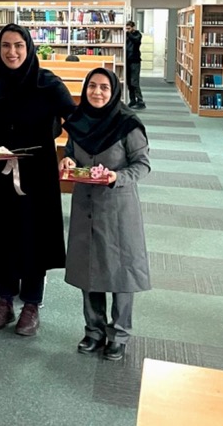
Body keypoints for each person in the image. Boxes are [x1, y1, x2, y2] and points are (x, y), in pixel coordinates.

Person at [0, 24, 76, 337]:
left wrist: (72, 153)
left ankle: (31, 303)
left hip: (36, 173)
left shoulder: (47, 83)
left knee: (33, 236)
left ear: (28, 48)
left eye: (18, 45)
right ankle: (4, 299)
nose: (12, 52)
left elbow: (76, 120)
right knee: (1, 235)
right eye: (5, 45)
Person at [61, 67, 150, 362]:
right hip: (85, 204)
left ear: (114, 92)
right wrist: (68, 161)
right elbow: (71, 152)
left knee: (121, 271)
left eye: (104, 88)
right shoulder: (78, 121)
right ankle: (94, 331)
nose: (97, 92)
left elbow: (142, 164)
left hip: (118, 207)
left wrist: (116, 176)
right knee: (88, 268)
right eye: (92, 86)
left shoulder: (128, 124)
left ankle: (119, 334)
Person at [125, 21, 145, 109]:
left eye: (129, 28)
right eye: (126, 28)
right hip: (127, 61)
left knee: (134, 82)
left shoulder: (137, 34)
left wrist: (128, 34)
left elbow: (136, 41)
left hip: (135, 61)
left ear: (133, 27)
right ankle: (132, 100)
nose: (127, 30)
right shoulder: (126, 35)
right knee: (129, 83)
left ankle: (140, 101)